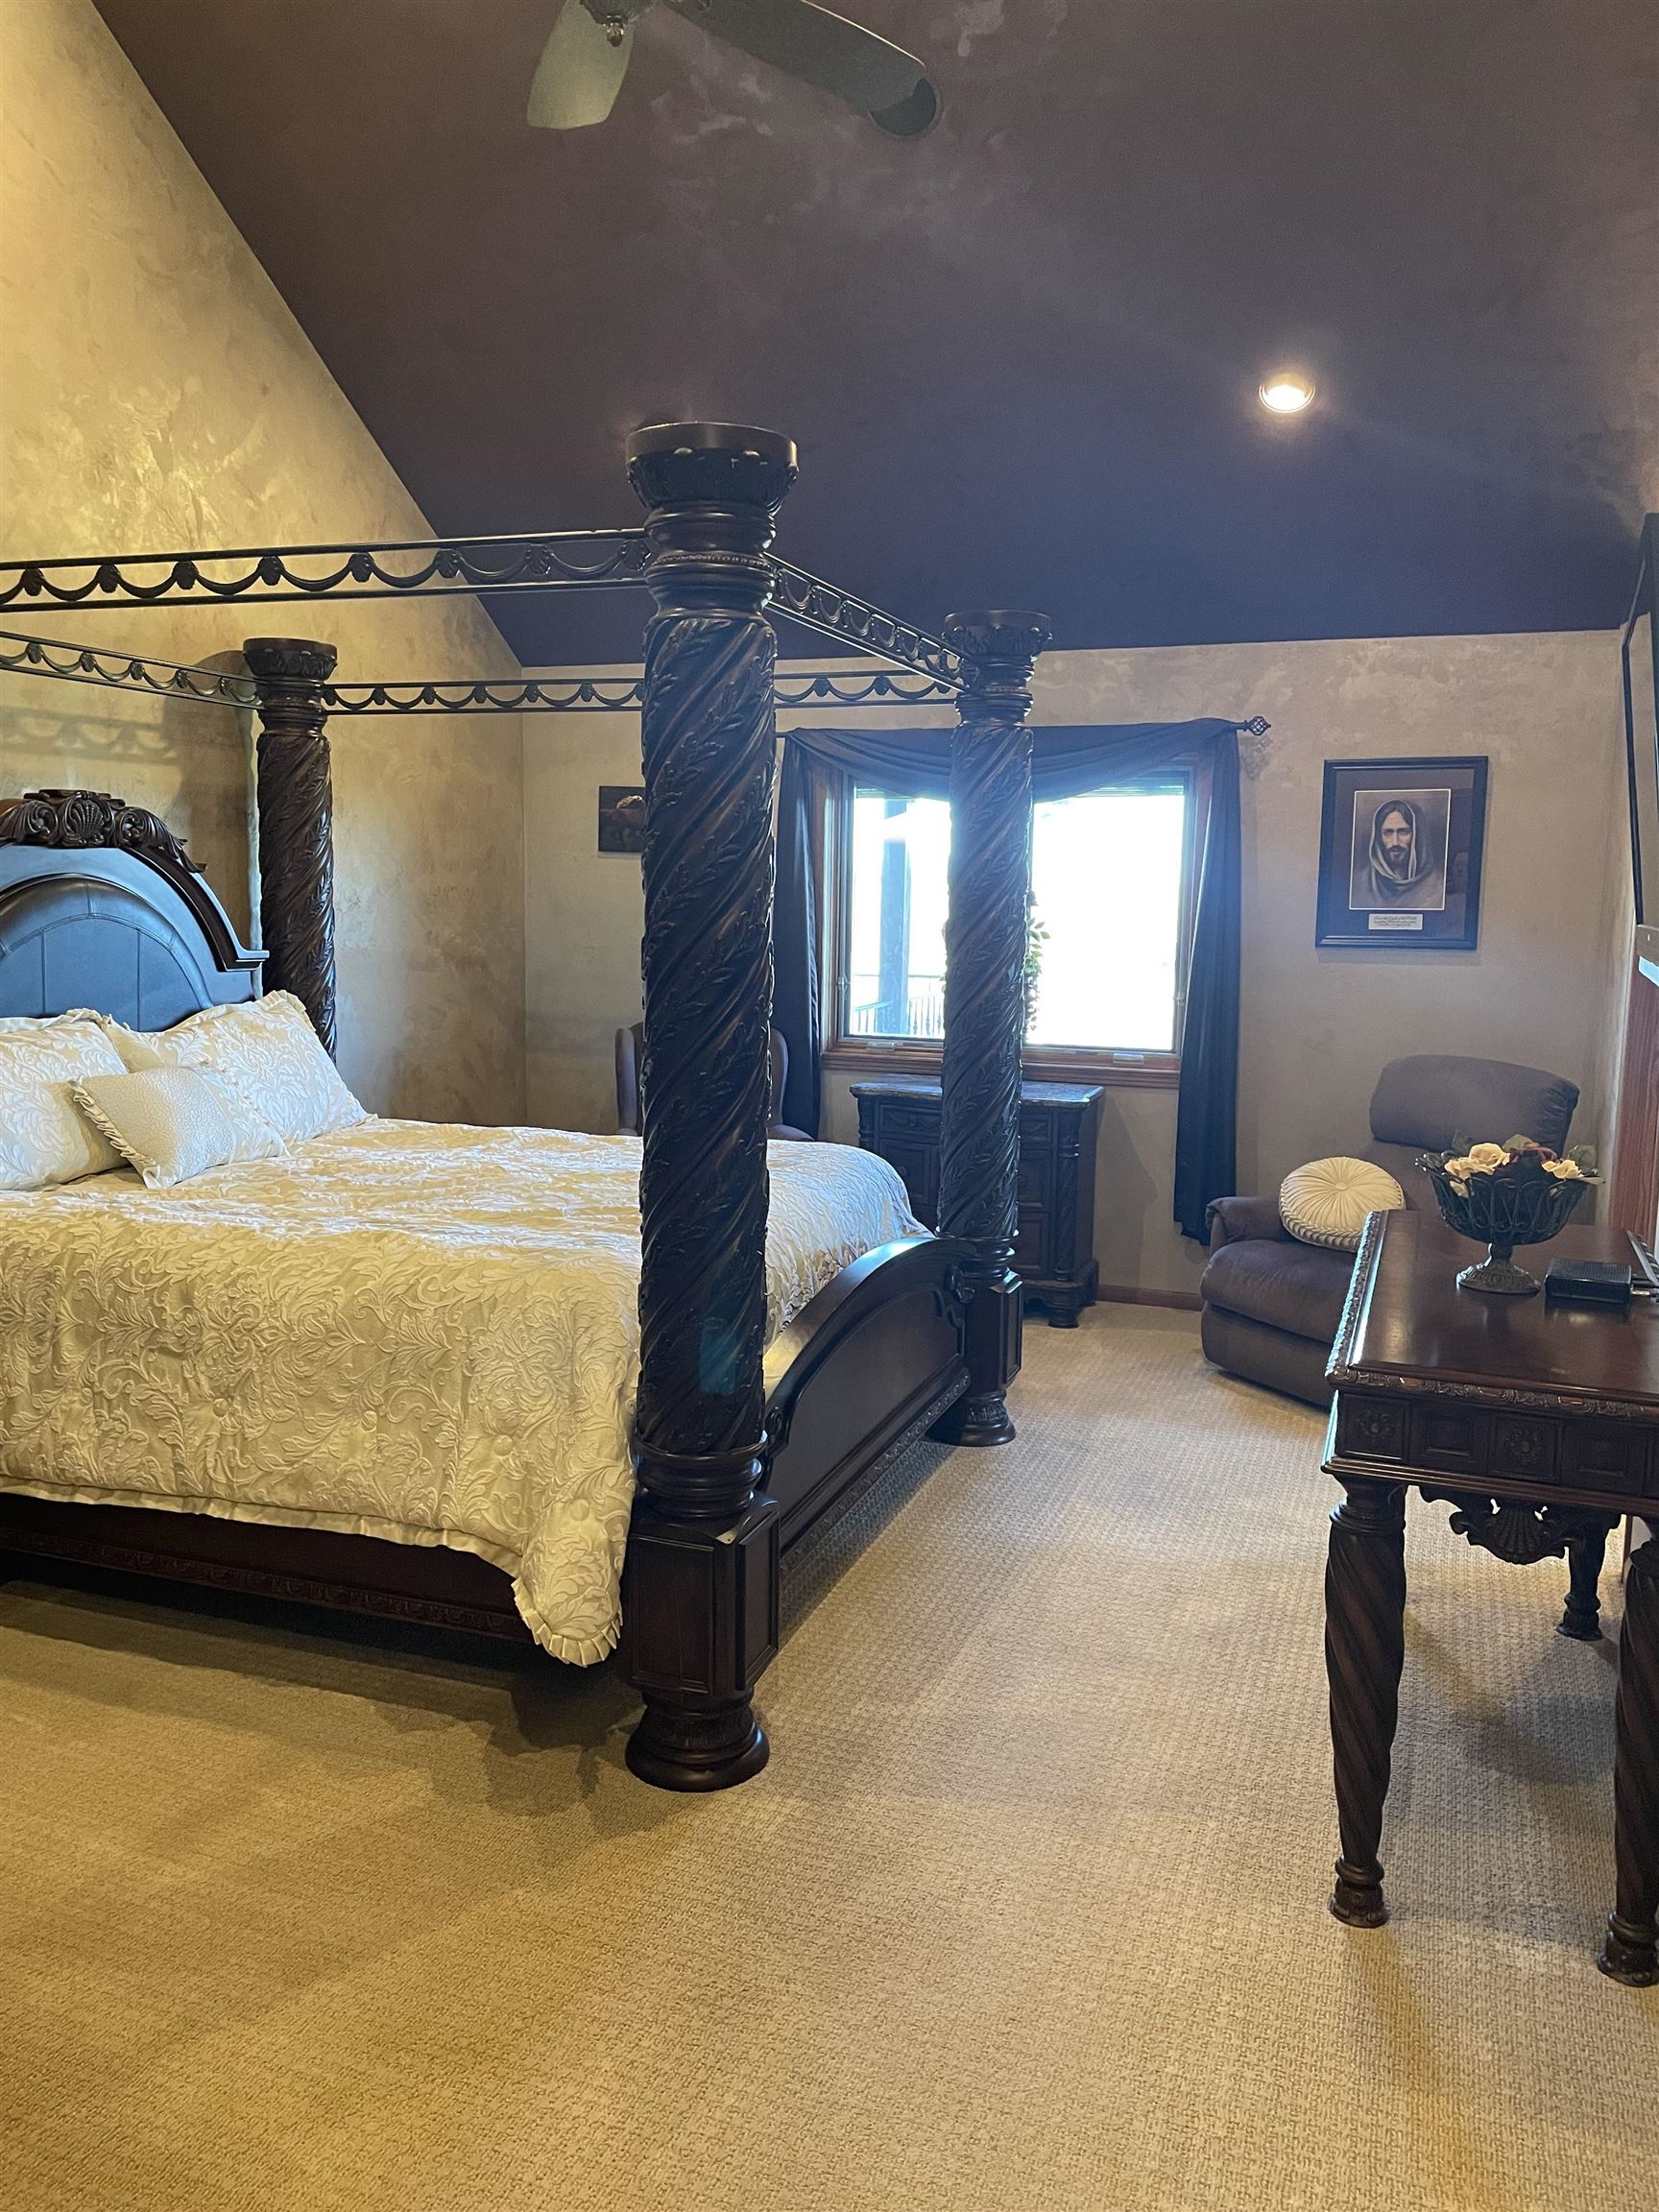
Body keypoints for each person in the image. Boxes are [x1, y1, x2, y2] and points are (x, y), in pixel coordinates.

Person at [1360, 795, 1444, 909]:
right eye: (1387, 833)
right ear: (1378, 837)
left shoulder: (1438, 885)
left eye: (1403, 832)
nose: (1395, 842)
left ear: (1418, 835)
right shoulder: (1360, 884)